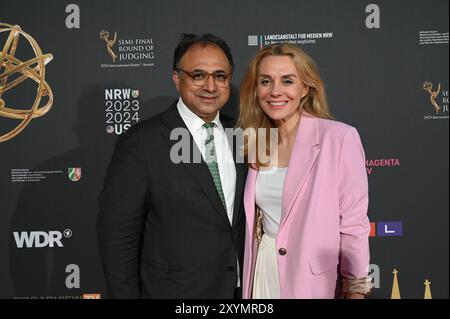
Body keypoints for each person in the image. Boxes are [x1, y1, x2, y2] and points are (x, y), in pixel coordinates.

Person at [97, 33, 247, 298]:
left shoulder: (241, 135)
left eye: (220, 76)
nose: (210, 86)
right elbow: (118, 239)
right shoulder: (141, 143)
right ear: (177, 79)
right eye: (198, 75)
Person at [238, 43, 372, 299]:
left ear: (305, 89)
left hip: (312, 280)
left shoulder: (339, 138)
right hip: (263, 268)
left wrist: (356, 289)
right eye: (265, 81)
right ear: (256, 90)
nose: (276, 91)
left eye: (287, 81)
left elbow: (354, 224)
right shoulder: (256, 142)